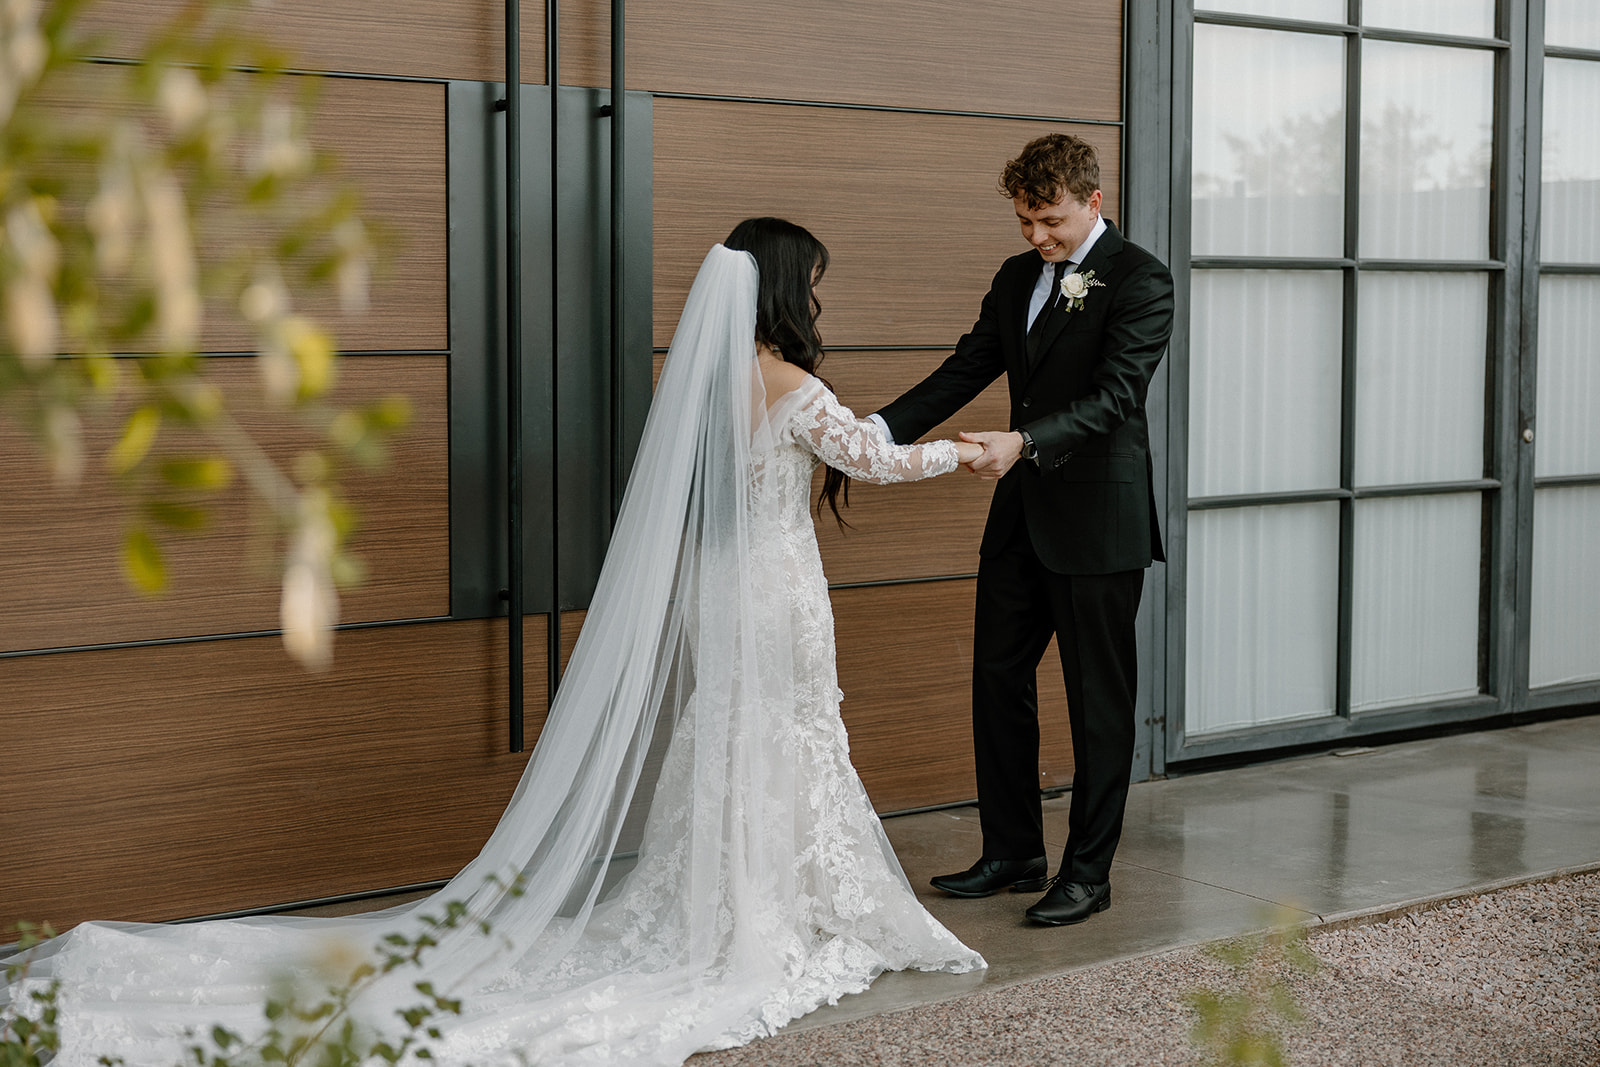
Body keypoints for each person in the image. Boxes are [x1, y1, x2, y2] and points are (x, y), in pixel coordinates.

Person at [2, 219, 986, 1065]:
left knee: (740, 728)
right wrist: (975, 449)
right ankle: (767, 911)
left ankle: (741, 897)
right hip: (776, 591)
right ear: (781, 287)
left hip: (716, 590)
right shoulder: (796, 389)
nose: (817, 294)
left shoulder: (706, 381)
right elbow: (878, 461)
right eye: (811, 279)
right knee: (788, 725)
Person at [871, 134, 1174, 926]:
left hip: (1097, 523)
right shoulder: (1015, 278)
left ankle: (1087, 872)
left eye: (1050, 221)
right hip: (1019, 520)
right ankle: (1013, 850)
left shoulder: (1142, 279)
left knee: (1096, 703)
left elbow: (1115, 397)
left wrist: (1026, 442)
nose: (1036, 238)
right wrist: (868, 431)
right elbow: (967, 367)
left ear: (1093, 202)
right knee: (996, 681)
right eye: (1024, 222)